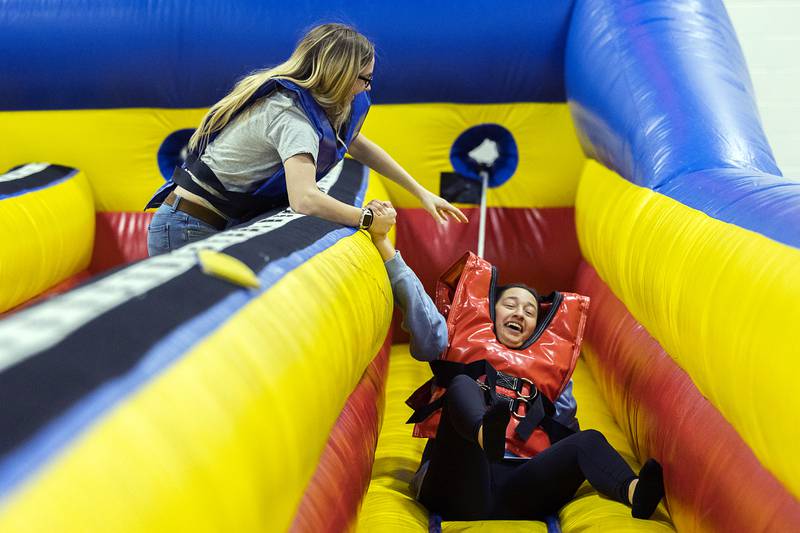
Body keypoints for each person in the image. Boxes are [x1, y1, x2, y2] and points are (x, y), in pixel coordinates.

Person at [366, 201, 666, 522]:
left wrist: (556, 396)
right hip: (460, 482)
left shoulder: (548, 364)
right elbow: (418, 305)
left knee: (588, 440)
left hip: (518, 488)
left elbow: (563, 425)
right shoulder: (457, 339)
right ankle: (484, 432)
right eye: (510, 304)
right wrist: (384, 243)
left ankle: (635, 491)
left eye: (529, 312)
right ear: (491, 312)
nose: (519, 313)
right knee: (462, 384)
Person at [145, 23, 466, 256]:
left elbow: (355, 142)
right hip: (188, 227)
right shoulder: (292, 115)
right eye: (365, 79)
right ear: (340, 74)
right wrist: (368, 219)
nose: (368, 89)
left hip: (206, 222)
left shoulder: (314, 106)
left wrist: (421, 192)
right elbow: (305, 199)